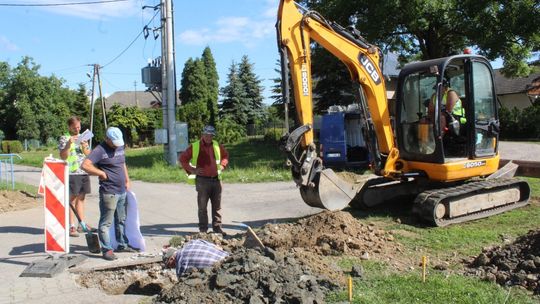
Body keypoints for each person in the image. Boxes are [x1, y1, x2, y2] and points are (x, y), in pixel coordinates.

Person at [82, 127, 134, 260]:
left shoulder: (120, 146)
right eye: (114, 142)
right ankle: (107, 249)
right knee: (106, 223)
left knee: (121, 219)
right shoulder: (100, 150)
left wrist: (127, 180)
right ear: (107, 139)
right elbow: (85, 165)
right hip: (109, 191)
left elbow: (122, 164)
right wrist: (100, 173)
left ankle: (122, 244)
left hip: (122, 190)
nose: (116, 145)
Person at [179, 125, 229, 235]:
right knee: (202, 207)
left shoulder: (217, 145)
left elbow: (225, 156)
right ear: (203, 135)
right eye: (207, 135)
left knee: (217, 207)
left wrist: (222, 165)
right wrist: (192, 170)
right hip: (202, 181)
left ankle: (217, 229)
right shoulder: (195, 146)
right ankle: (203, 230)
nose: (209, 137)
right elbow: (183, 159)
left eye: (211, 135)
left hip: (216, 180)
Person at [58, 116, 94, 237]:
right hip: (72, 172)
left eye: (79, 127)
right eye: (74, 128)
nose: (77, 130)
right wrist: (68, 144)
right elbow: (63, 156)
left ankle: (81, 224)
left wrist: (85, 147)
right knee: (71, 200)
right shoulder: (64, 138)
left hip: (83, 171)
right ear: (69, 127)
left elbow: (89, 155)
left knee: (82, 198)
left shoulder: (83, 137)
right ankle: (71, 226)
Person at [163, 239, 229, 277]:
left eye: (169, 265)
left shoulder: (180, 263)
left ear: (172, 258)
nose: (172, 267)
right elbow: (218, 247)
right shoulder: (193, 242)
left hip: (222, 271)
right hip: (229, 258)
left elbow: (180, 283)